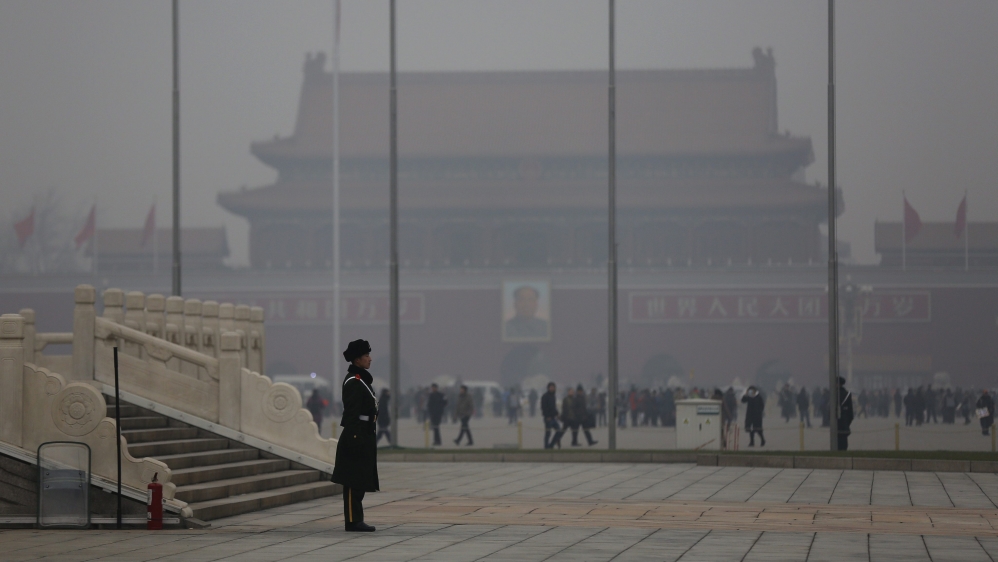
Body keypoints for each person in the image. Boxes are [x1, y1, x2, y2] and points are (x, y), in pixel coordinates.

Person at [330, 339, 379, 532]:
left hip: (365, 433)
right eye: (366, 356)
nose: (370, 359)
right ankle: (352, 520)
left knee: (360, 479)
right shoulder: (353, 381)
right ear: (357, 359)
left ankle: (356, 519)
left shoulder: (361, 380)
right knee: (353, 481)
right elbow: (351, 414)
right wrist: (355, 438)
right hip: (356, 435)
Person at [541, 382, 564, 449]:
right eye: (551, 387)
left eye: (553, 387)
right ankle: (546, 446)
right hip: (548, 418)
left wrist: (557, 414)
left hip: (553, 418)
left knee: (559, 431)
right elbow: (543, 407)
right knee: (548, 433)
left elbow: (554, 407)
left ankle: (551, 445)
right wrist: (547, 416)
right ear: (548, 388)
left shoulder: (553, 396)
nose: (552, 388)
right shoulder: (545, 396)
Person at [837, 377, 854, 450]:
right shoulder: (847, 394)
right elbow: (850, 412)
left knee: (836, 442)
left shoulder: (833, 394)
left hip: (835, 421)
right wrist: (847, 422)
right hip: (844, 421)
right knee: (843, 442)